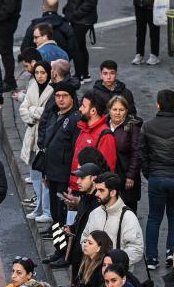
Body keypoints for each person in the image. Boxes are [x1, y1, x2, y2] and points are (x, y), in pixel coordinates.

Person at [141, 88, 174, 271]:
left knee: (154, 217)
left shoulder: (148, 125)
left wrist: (149, 172)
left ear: (158, 104)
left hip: (156, 177)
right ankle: (172, 252)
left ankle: (152, 257)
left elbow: (142, 152)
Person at [38, 81, 81, 227]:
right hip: (52, 173)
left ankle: (61, 247)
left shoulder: (76, 119)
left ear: (72, 98)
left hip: (64, 174)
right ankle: (57, 241)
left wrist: (73, 179)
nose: (60, 99)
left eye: (64, 96)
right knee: (54, 212)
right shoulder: (53, 114)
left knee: (62, 213)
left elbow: (76, 150)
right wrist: (45, 173)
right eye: (57, 96)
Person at [82, 172, 143, 268]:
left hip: (115, 277)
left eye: (101, 190)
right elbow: (84, 238)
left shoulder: (128, 217)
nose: (96, 194)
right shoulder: (94, 213)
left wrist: (112, 262)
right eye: (96, 190)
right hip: (93, 272)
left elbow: (136, 250)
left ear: (113, 192)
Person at [20, 62, 56, 223]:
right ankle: (39, 207)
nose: (40, 76)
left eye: (43, 72)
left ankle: (47, 210)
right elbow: (23, 108)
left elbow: (47, 113)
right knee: (35, 175)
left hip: (44, 137)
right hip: (31, 134)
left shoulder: (53, 90)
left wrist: (32, 111)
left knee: (45, 178)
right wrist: (33, 115)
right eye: (37, 73)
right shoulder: (33, 86)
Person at [70, 93, 118, 190]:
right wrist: (72, 185)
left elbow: (106, 170)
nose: (80, 109)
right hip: (77, 187)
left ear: (93, 111)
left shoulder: (105, 135)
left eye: (83, 106)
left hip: (89, 192)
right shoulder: (84, 129)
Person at [62, 0, 99, 83]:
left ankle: (79, 75)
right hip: (77, 18)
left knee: (76, 47)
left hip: (83, 20)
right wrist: (67, 9)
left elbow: (89, 4)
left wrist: (72, 14)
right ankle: (84, 73)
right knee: (80, 46)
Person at [106, 95, 142, 210]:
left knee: (126, 210)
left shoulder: (132, 126)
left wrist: (130, 176)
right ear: (109, 110)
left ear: (126, 111)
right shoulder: (104, 124)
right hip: (107, 175)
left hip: (125, 175)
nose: (117, 113)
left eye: (121, 110)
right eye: (114, 109)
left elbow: (136, 152)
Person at [127, 0, 167, 65]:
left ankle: (154, 55)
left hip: (153, 4)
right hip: (139, 3)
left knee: (154, 30)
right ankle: (139, 54)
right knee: (140, 30)